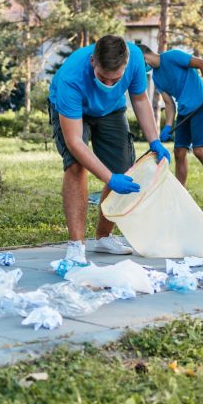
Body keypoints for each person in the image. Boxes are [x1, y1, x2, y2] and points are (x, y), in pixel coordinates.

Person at [49, 35, 170, 263]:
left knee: (124, 167)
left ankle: (103, 237)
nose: (109, 85)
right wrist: (108, 178)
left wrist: (154, 141)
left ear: (126, 65)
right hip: (75, 111)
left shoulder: (135, 58)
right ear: (93, 61)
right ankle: (76, 245)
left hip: (111, 110)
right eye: (103, 78)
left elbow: (140, 99)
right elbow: (75, 142)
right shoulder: (71, 78)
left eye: (116, 80)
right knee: (76, 166)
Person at [140, 45, 203, 211]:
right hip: (185, 111)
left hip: (202, 106)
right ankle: (180, 196)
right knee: (179, 153)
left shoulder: (172, 56)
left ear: (144, 57)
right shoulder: (157, 78)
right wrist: (167, 126)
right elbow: (169, 104)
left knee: (199, 150)